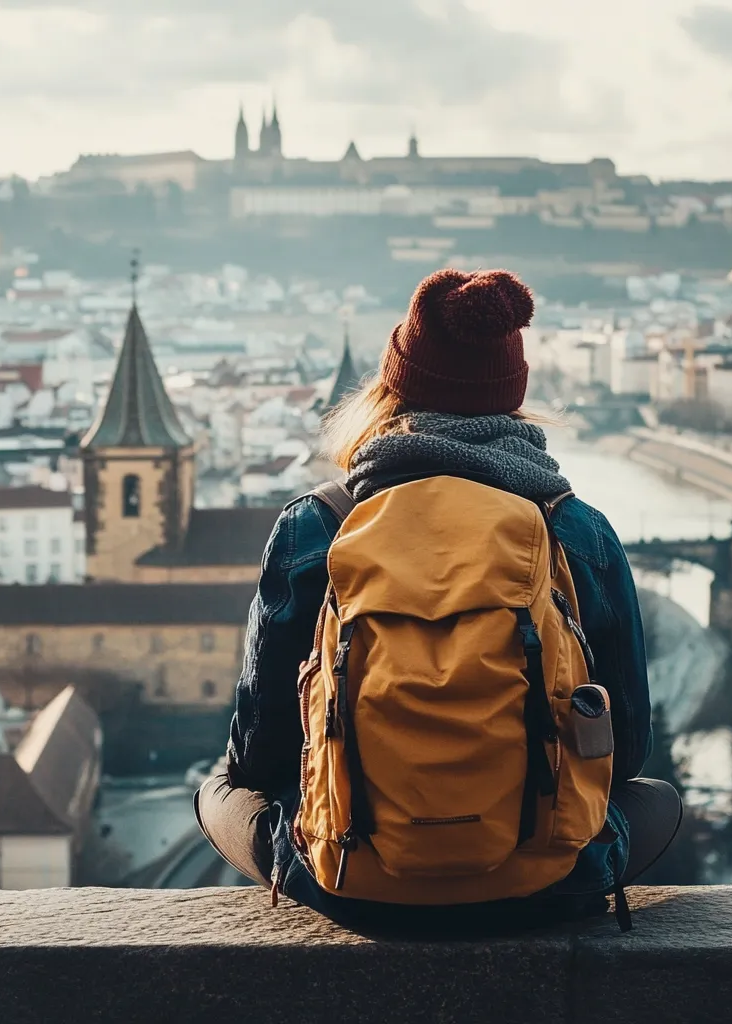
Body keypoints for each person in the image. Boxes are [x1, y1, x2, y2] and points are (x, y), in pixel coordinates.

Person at [195, 268, 682, 932]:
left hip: (352, 881)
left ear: (392, 388)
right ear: (513, 397)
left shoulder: (318, 524)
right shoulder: (574, 527)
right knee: (659, 800)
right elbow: (626, 749)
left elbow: (260, 753)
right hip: (550, 881)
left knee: (218, 792)